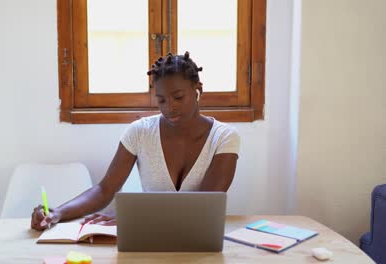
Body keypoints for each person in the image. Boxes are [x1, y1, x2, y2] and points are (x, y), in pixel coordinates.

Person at [31, 51, 240, 231]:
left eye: (178, 97)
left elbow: (204, 206)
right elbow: (104, 190)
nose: (170, 107)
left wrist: (134, 217)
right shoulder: (139, 132)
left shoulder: (224, 138)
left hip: (199, 237)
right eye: (161, 100)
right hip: (149, 238)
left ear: (198, 90)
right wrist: (57, 212)